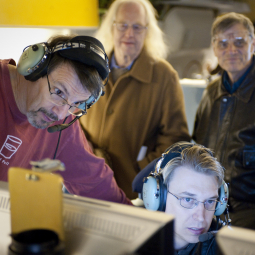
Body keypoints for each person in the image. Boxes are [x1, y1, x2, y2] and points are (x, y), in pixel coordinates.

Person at [0, 34, 131, 205]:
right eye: (59, 92)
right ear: (34, 68)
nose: (60, 113)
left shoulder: (61, 124)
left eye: (76, 103)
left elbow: (97, 183)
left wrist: (147, 224)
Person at [79, 0, 190, 199]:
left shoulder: (165, 76)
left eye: (137, 27)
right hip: (85, 183)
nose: (129, 33)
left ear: (147, 31)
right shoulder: (90, 68)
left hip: (132, 192)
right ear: (112, 27)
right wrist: (88, 157)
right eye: (123, 25)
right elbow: (72, 122)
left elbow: (175, 141)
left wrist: (139, 172)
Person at [192, 12, 255, 229]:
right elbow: (198, 149)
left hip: (248, 212)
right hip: (208, 207)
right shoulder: (210, 94)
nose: (231, 50)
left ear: (253, 44)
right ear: (214, 47)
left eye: (239, 42)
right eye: (223, 43)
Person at [140, 142, 227, 254]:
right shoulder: (129, 241)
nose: (200, 217)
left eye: (210, 201)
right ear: (160, 198)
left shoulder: (228, 248)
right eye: (188, 199)